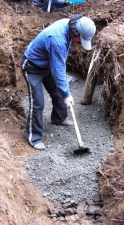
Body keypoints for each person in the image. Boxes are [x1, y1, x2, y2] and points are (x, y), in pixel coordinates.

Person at [21, 15, 96, 150]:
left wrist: (64, 92)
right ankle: (34, 137)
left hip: (47, 64)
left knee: (58, 91)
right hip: (32, 66)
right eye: (80, 40)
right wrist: (67, 94)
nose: (79, 43)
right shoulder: (57, 40)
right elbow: (58, 70)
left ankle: (59, 118)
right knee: (37, 102)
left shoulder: (68, 26)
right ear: (75, 32)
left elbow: (58, 67)